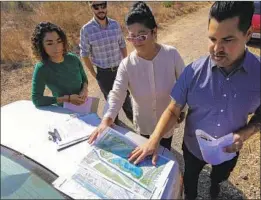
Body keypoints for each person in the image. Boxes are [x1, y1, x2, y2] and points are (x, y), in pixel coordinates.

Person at [128, 2, 261, 200]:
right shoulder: (192, 72)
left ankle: (215, 186)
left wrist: (245, 133)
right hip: (193, 149)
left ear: (248, 34)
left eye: (227, 40)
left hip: (228, 153)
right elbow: (173, 110)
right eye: (212, 39)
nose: (217, 49)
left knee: (219, 178)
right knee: (190, 182)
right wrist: (153, 140)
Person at [88, 2, 186, 150]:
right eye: (132, 36)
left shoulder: (171, 55)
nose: (136, 42)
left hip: (167, 122)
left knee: (165, 151)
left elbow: (185, 86)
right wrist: (106, 120)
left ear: (154, 32)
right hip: (144, 123)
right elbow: (117, 94)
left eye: (142, 36)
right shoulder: (127, 65)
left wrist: (182, 110)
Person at [80, 1, 133, 123]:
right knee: (111, 103)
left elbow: (122, 44)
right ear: (91, 7)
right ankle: (116, 128)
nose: (100, 9)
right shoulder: (86, 30)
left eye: (103, 5)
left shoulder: (115, 24)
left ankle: (139, 129)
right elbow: (84, 54)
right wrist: (95, 75)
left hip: (120, 70)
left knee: (126, 100)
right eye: (96, 6)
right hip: (103, 74)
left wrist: (125, 63)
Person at [31, 22, 88, 107]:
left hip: (84, 105)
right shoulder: (41, 68)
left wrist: (85, 89)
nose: (57, 47)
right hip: (63, 111)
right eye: (50, 43)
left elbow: (84, 79)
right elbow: (36, 99)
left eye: (59, 41)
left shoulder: (73, 58)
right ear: (41, 46)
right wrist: (67, 99)